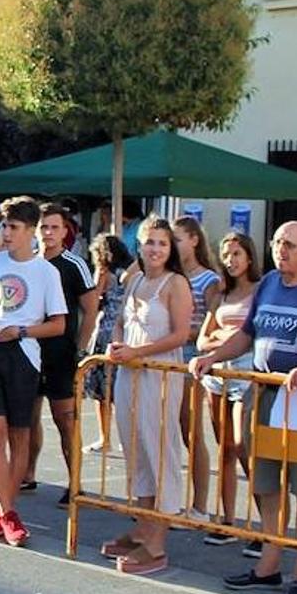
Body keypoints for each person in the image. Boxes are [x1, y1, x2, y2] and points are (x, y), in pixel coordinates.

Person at [191, 221, 297, 594]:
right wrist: (212, 356)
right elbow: (248, 334)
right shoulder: (268, 284)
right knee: (265, 481)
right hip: (263, 393)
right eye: (278, 243)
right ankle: (269, 564)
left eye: (290, 245)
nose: (281, 250)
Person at [0, 196, 67, 547]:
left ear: (30, 231)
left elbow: (58, 324)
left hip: (23, 355)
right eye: (4, 226)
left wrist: (22, 331)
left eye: (14, 227)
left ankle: (4, 511)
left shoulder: (46, 272)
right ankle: (6, 513)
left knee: (20, 434)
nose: (6, 233)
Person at [100, 218, 193, 575]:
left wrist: (140, 353)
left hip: (160, 375)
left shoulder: (176, 284)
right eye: (149, 242)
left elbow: (181, 334)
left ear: (171, 249)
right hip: (129, 373)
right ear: (139, 245)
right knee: (135, 449)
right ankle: (143, 524)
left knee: (159, 451)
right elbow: (123, 319)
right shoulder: (135, 279)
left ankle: (158, 540)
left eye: (162, 243)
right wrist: (119, 345)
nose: (155, 249)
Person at [24, 203, 97, 506]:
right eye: (44, 227)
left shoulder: (73, 264)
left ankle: (75, 482)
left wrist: (81, 350)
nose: (49, 233)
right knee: (27, 417)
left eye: (55, 227)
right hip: (29, 351)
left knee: (65, 419)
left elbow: (91, 308)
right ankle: (27, 473)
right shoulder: (27, 261)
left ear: (65, 231)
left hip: (62, 355)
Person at [196, 231, 260, 545]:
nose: (231, 260)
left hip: (247, 374)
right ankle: (227, 519)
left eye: (237, 254)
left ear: (249, 257)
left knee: (243, 445)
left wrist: (230, 340)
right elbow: (202, 340)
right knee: (224, 449)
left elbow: (256, 334)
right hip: (217, 373)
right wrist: (226, 340)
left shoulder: (261, 291)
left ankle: (267, 523)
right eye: (226, 254)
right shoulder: (221, 294)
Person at [173, 216, 222, 522]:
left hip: (192, 358)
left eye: (177, 239)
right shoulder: (171, 275)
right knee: (170, 431)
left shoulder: (208, 280)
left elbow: (216, 324)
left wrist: (186, 333)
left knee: (192, 431)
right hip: (168, 355)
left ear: (194, 240)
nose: (174, 245)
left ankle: (201, 504)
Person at [81, 233, 135, 452]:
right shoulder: (131, 272)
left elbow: (92, 297)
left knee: (101, 392)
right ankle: (126, 437)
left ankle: (106, 438)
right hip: (125, 329)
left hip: (105, 330)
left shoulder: (105, 272)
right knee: (121, 389)